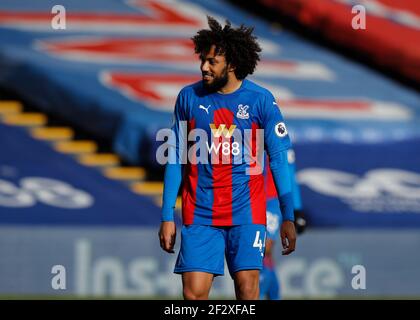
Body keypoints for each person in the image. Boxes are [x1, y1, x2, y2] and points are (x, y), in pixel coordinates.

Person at [158, 16, 296, 300]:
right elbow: (175, 157)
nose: (203, 67)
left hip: (247, 213)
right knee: (193, 296)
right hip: (200, 213)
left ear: (231, 64)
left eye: (212, 61)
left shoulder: (261, 101)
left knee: (247, 292)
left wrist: (288, 216)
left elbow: (280, 160)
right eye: (203, 60)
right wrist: (167, 215)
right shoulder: (188, 98)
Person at [260, 149, 307, 300]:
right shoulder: (247, 130)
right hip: (250, 197)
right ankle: (273, 295)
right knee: (262, 252)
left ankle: (260, 295)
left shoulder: (280, 137)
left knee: (263, 249)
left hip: (271, 201)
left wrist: (297, 209)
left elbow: (290, 173)